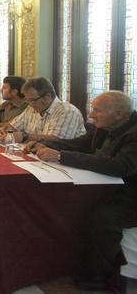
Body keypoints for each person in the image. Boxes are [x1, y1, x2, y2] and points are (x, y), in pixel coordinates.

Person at [25, 91, 137, 291]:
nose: (91, 115)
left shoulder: (134, 134)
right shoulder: (106, 126)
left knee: (103, 218)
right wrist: (48, 144)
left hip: (131, 197)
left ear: (120, 114)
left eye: (97, 110)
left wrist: (61, 156)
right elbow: (80, 143)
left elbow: (119, 166)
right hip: (107, 187)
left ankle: (97, 275)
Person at [0, 76, 85, 142]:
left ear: (47, 96)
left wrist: (24, 136)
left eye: (33, 100)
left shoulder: (67, 111)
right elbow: (14, 126)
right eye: (27, 100)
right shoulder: (31, 108)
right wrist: (4, 129)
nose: (30, 104)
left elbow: (56, 141)